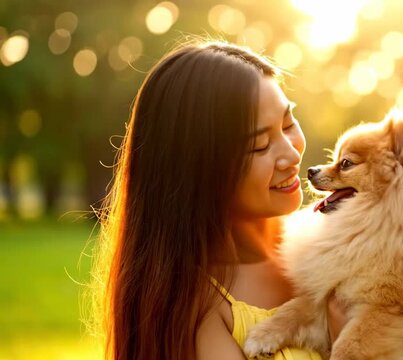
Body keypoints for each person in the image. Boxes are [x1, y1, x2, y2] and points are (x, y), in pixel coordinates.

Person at [90, 40, 346, 360]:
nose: (291, 154)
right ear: (200, 169)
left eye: (287, 123)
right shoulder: (202, 312)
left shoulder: (338, 233)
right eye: (260, 145)